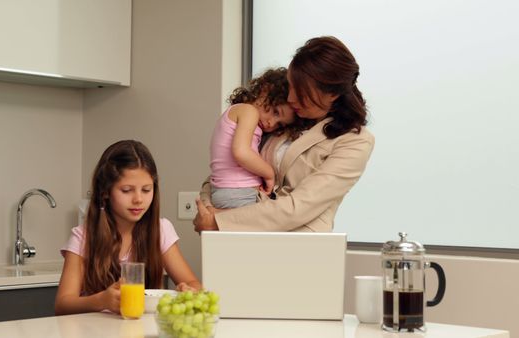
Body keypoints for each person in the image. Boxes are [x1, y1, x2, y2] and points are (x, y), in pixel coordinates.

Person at [194, 36, 375, 233]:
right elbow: (225, 168)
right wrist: (207, 209)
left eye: (300, 91)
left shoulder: (355, 141)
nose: (290, 97)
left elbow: (300, 207)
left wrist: (218, 220)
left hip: (297, 246)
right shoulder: (281, 122)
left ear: (332, 94)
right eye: (290, 86)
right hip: (242, 235)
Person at [55, 140, 202, 315]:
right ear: (105, 192)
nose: (138, 199)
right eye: (126, 190)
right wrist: (101, 300)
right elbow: (63, 305)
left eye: (146, 190)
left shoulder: (161, 230)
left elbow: (194, 284)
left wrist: (189, 290)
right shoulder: (83, 238)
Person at [209, 67, 297, 209]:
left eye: (279, 124)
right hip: (238, 193)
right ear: (265, 90)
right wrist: (269, 174)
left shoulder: (237, 112)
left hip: (227, 191)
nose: (271, 123)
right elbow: (241, 152)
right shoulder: (248, 112)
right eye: (275, 112)